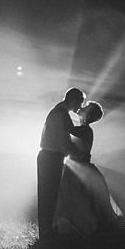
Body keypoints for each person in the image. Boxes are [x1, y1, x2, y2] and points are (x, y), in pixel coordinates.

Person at [52, 101, 125, 238]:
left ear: (88, 114)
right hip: (77, 167)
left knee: (76, 199)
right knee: (74, 199)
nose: (82, 107)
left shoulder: (85, 130)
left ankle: (83, 228)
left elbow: (68, 129)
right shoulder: (83, 129)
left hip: (79, 169)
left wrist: (63, 111)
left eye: (85, 107)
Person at [37, 88, 86, 240]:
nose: (79, 107)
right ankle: (46, 236)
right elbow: (63, 140)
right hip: (51, 158)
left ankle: (47, 234)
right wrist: (79, 155)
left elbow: (67, 135)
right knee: (49, 196)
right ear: (72, 100)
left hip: (50, 157)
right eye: (79, 103)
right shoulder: (60, 114)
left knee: (49, 195)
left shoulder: (59, 113)